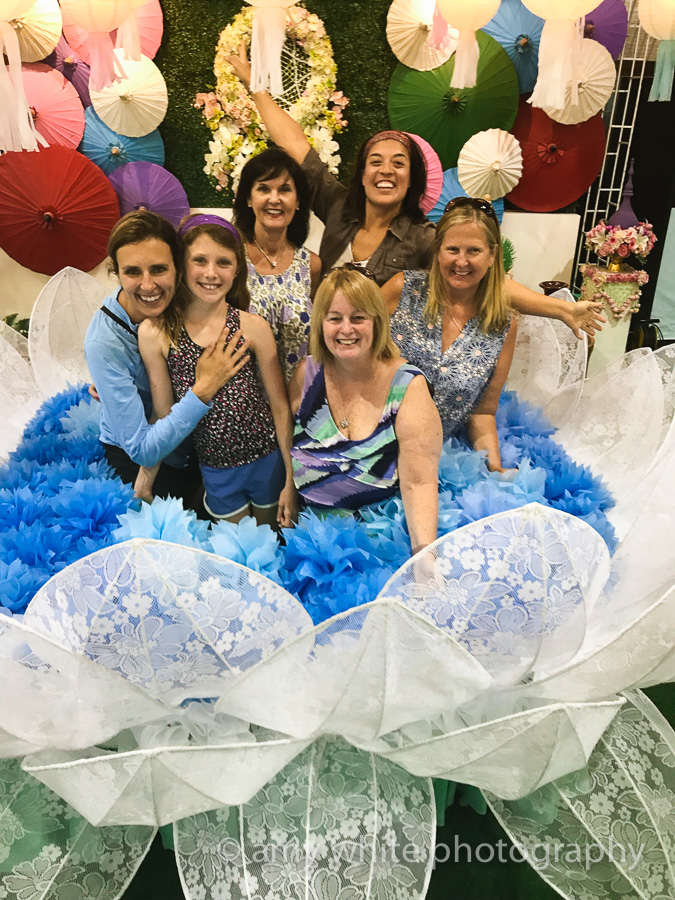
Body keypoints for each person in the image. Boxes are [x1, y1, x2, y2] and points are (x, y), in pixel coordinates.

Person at [226, 46, 606, 341]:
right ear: (362, 175)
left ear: (411, 180)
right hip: (320, 350)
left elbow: (486, 277)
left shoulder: (423, 236)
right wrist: (253, 83)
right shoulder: (339, 206)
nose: (386, 171)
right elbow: (294, 143)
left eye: (399, 163)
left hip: (377, 364)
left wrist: (561, 310)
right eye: (375, 162)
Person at [137, 214, 297, 527]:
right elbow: (164, 415)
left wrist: (291, 479)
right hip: (216, 469)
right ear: (181, 265)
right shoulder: (157, 333)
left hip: (267, 461)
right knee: (236, 548)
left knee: (270, 542)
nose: (211, 273)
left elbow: (279, 408)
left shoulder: (253, 328)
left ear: (237, 270)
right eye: (199, 260)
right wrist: (145, 478)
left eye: (223, 262)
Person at [84, 209, 249, 502]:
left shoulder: (187, 296)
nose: (148, 285)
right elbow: (142, 449)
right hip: (141, 454)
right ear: (116, 272)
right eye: (132, 272)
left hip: (198, 441)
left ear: (178, 267)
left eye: (159, 269)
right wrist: (204, 388)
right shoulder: (104, 343)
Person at [288, 267, 442, 555]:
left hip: (384, 545)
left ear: (377, 322)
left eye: (358, 318)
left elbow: (419, 484)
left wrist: (423, 559)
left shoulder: (407, 386)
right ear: (321, 324)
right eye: (335, 318)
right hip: (313, 544)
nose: (346, 329)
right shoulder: (305, 375)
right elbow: (286, 442)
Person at [382, 198, 516, 472]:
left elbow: (482, 412)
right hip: (372, 445)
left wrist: (495, 471)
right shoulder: (401, 290)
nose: (461, 261)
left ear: (492, 256)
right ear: (438, 251)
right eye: (452, 249)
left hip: (440, 460)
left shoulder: (502, 325)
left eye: (474, 250)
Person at [232, 147, 321, 381]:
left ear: (298, 201)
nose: (274, 199)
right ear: (249, 199)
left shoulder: (311, 265)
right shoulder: (231, 259)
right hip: (244, 394)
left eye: (285, 189)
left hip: (298, 394)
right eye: (263, 189)